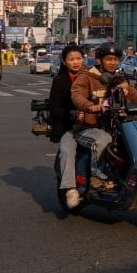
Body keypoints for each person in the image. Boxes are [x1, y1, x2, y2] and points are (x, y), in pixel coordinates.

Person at [71, 42, 137, 179]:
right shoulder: (86, 77)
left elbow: (133, 94)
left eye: (116, 59)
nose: (113, 63)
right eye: (109, 59)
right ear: (99, 60)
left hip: (115, 126)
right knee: (103, 139)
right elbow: (77, 95)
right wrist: (90, 106)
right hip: (89, 127)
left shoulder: (117, 78)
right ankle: (98, 174)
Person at [49, 45, 86, 208]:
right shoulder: (59, 81)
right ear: (64, 62)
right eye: (71, 59)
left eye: (78, 58)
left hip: (92, 124)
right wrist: (72, 115)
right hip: (68, 127)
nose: (76, 62)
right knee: (67, 149)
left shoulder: (90, 76)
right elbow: (55, 107)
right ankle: (70, 188)